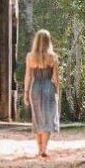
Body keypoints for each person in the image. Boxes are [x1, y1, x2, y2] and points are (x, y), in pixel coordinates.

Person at [23, 29, 60, 157]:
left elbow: (28, 76)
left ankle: (39, 149)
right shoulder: (53, 57)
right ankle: (44, 149)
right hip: (49, 87)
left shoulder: (30, 57)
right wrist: (58, 92)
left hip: (36, 87)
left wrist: (26, 93)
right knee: (48, 118)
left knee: (37, 117)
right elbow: (55, 78)